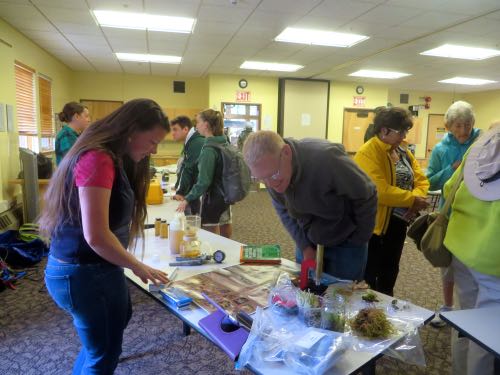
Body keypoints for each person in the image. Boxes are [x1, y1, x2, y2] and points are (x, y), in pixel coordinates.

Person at [39, 99, 171, 374]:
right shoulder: (98, 158)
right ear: (132, 130)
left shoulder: (112, 156)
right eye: (152, 142)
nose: (154, 150)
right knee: (103, 355)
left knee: (106, 338)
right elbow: (97, 236)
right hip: (84, 272)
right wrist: (138, 266)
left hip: (95, 269)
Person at [242, 130, 377, 281]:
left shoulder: (327, 158)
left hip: (346, 240)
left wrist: (359, 239)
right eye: (262, 179)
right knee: (307, 293)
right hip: (309, 238)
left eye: (274, 175)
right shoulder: (270, 172)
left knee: (345, 295)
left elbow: (367, 193)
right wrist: (305, 247)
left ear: (286, 153)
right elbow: (284, 211)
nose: (271, 184)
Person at [354, 107, 429, 296]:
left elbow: (421, 180)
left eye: (406, 131)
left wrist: (416, 199)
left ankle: (385, 313)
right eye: (400, 131)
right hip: (375, 227)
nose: (404, 136)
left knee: (390, 271)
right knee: (370, 275)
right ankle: (367, 315)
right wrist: (412, 200)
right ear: (384, 130)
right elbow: (380, 191)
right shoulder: (368, 152)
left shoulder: (403, 152)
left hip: (399, 222)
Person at [443, 126, 500, 375]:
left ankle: (459, 370)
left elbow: (449, 188)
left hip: (460, 244)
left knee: (465, 318)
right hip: (492, 257)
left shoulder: (481, 145)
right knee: (487, 332)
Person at [426, 100, 481, 327]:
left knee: (474, 264)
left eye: (467, 125)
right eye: (458, 125)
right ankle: (448, 307)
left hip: (477, 215)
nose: (463, 130)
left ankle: (472, 309)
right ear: (448, 126)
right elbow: (431, 180)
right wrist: (452, 169)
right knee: (448, 265)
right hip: (449, 214)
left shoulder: (481, 144)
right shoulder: (441, 149)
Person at [176, 109, 232, 238]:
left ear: (206, 125)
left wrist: (187, 199)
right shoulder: (224, 141)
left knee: (211, 229)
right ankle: (225, 251)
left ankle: (216, 254)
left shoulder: (209, 149)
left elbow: (203, 182)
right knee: (225, 223)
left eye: (198, 122)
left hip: (213, 196)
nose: (196, 126)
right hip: (226, 192)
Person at [170, 115, 205, 215]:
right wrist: (178, 186)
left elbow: (188, 169)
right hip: (194, 189)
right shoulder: (190, 141)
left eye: (175, 129)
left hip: (200, 191)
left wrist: (180, 192)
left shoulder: (196, 142)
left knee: (196, 222)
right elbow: (184, 167)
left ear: (185, 129)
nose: (172, 133)